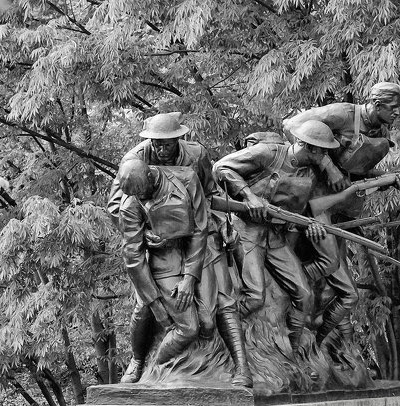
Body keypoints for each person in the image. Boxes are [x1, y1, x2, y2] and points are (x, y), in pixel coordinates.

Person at [109, 112, 250, 386]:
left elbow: (210, 194)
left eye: (166, 143)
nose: (160, 149)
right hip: (159, 242)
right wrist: (148, 231)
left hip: (199, 229)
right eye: (155, 143)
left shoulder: (196, 156)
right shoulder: (134, 162)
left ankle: (242, 367)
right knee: (144, 303)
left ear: (179, 138)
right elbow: (118, 207)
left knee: (224, 296)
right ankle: (139, 361)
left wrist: (222, 223)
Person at [281, 83, 400, 347]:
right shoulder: (342, 113)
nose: (397, 113)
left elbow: (357, 177)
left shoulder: (381, 131)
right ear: (377, 105)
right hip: (314, 200)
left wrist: (391, 180)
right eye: (393, 108)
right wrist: (327, 165)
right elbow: (290, 125)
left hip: (339, 208)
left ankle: (319, 346)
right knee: (329, 265)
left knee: (344, 292)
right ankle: (288, 293)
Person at [212, 117, 337, 353]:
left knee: (304, 294)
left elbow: (295, 216)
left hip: (275, 236)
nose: (324, 157)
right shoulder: (268, 153)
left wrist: (308, 226)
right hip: (246, 230)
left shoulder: (308, 175)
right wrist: (248, 196)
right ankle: (221, 340)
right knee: (255, 296)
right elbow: (221, 168)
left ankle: (294, 352)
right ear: (305, 146)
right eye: (321, 151)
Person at [114, 158, 207, 368]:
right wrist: (155, 305)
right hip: (162, 261)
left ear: (150, 176)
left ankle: (158, 369)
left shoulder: (186, 179)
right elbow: (133, 256)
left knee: (210, 319)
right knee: (143, 308)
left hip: (200, 254)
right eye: (136, 195)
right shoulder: (130, 203)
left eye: (143, 192)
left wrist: (190, 278)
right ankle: (141, 363)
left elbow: (201, 229)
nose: (141, 198)